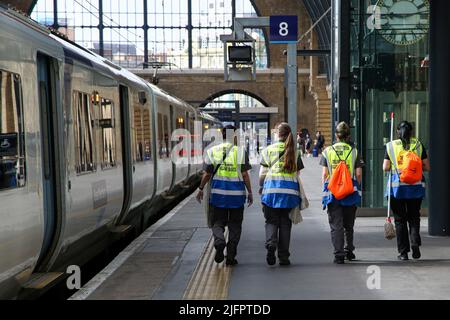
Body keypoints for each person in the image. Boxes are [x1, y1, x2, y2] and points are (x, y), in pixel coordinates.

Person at [196, 125, 253, 266]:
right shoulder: (240, 152)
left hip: (218, 195)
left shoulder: (212, 151)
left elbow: (207, 174)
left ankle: (219, 241)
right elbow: (245, 174)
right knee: (235, 225)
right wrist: (250, 192)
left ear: (222, 135)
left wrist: (201, 188)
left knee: (217, 222)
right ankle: (231, 257)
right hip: (237, 196)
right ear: (234, 136)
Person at [383, 121, 430, 261]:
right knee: (414, 217)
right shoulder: (418, 144)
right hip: (415, 187)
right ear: (411, 132)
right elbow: (427, 167)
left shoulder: (391, 146)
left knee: (400, 220)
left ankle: (403, 252)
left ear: (398, 131)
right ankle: (415, 243)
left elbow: (385, 167)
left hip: (397, 189)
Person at [259, 122, 304, 266]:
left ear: (277, 134)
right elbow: (297, 174)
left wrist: (262, 187)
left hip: (271, 191)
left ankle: (271, 243)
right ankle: (284, 257)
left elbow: (262, 175)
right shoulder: (295, 151)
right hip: (289, 193)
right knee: (285, 223)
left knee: (271, 221)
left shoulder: (267, 150)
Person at [321, 122, 364, 264]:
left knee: (336, 224)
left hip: (333, 192)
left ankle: (338, 254)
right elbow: (358, 174)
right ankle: (349, 250)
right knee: (349, 224)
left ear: (336, 135)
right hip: (350, 191)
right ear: (348, 136)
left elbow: (325, 174)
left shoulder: (328, 151)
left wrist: (326, 189)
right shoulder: (354, 151)